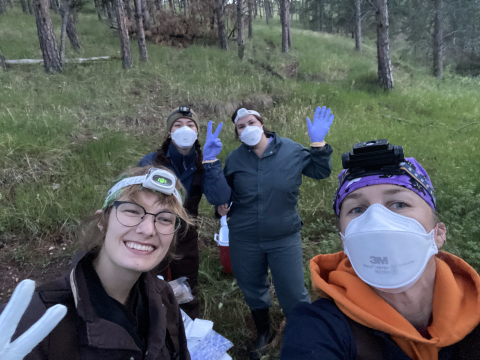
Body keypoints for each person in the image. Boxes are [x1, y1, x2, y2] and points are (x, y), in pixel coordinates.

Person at [280, 140, 480, 360]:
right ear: (345, 241)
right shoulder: (317, 327)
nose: (376, 220)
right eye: (358, 209)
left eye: (399, 204)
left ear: (438, 233)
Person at [0, 166, 192, 360]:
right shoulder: (33, 320)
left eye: (165, 219)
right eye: (132, 211)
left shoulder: (163, 297)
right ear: (102, 220)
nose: (148, 229)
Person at [217, 106, 334, 359]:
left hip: (284, 235)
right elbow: (224, 192)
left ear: (262, 124)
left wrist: (318, 144)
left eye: (251, 122)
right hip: (244, 236)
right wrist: (220, 205)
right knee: (252, 286)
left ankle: (301, 334)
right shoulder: (235, 159)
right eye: (241, 126)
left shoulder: (291, 149)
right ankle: (264, 332)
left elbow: (320, 171)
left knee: (293, 291)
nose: (247, 128)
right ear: (237, 134)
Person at [138, 106, 231, 319]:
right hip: (154, 231)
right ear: (170, 132)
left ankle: (187, 331)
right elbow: (136, 198)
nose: (185, 129)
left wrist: (211, 162)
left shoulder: (203, 162)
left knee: (187, 288)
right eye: (178, 125)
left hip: (186, 235)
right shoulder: (151, 162)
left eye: (190, 125)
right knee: (151, 281)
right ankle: (154, 325)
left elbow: (219, 198)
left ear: (197, 132)